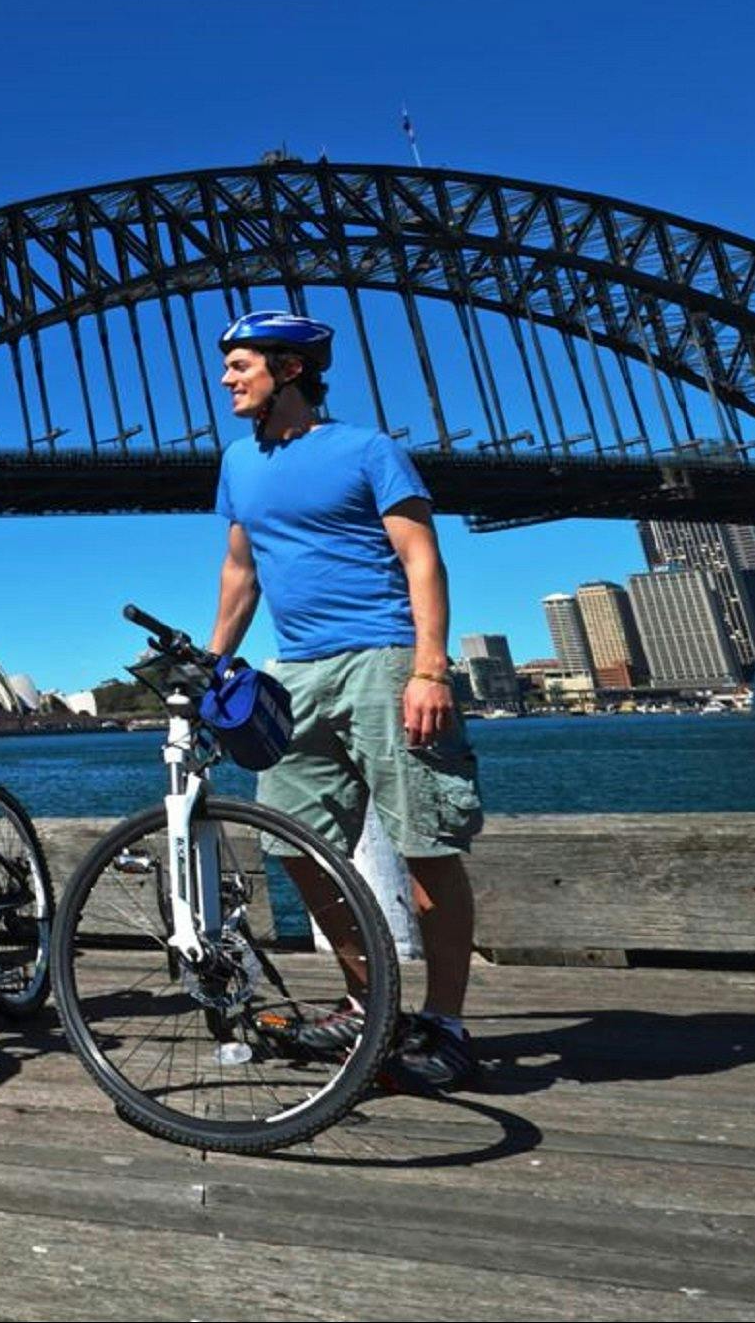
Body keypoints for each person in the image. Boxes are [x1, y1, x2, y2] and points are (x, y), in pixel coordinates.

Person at [206, 310, 485, 1093]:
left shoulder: (369, 450)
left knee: (424, 838)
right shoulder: (236, 462)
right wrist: (212, 664)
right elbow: (240, 572)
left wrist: (430, 667)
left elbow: (420, 555)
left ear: (288, 369)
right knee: (289, 840)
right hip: (294, 670)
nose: (226, 378)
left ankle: (446, 1022)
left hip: (385, 658)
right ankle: (371, 1004)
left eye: (240, 365)